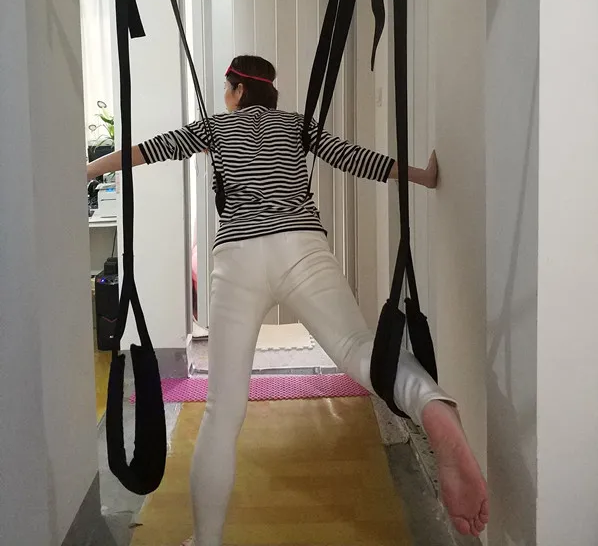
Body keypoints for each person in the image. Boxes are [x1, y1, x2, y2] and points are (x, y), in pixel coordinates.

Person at [87, 55, 489, 545]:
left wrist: (87, 170)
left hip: (238, 256)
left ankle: (207, 541)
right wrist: (421, 176)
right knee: (360, 349)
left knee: (222, 412)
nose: (225, 97)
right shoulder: (296, 125)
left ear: (237, 90)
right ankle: (432, 406)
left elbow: (147, 151)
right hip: (301, 244)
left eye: (227, 89)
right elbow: (354, 157)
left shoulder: (215, 128)